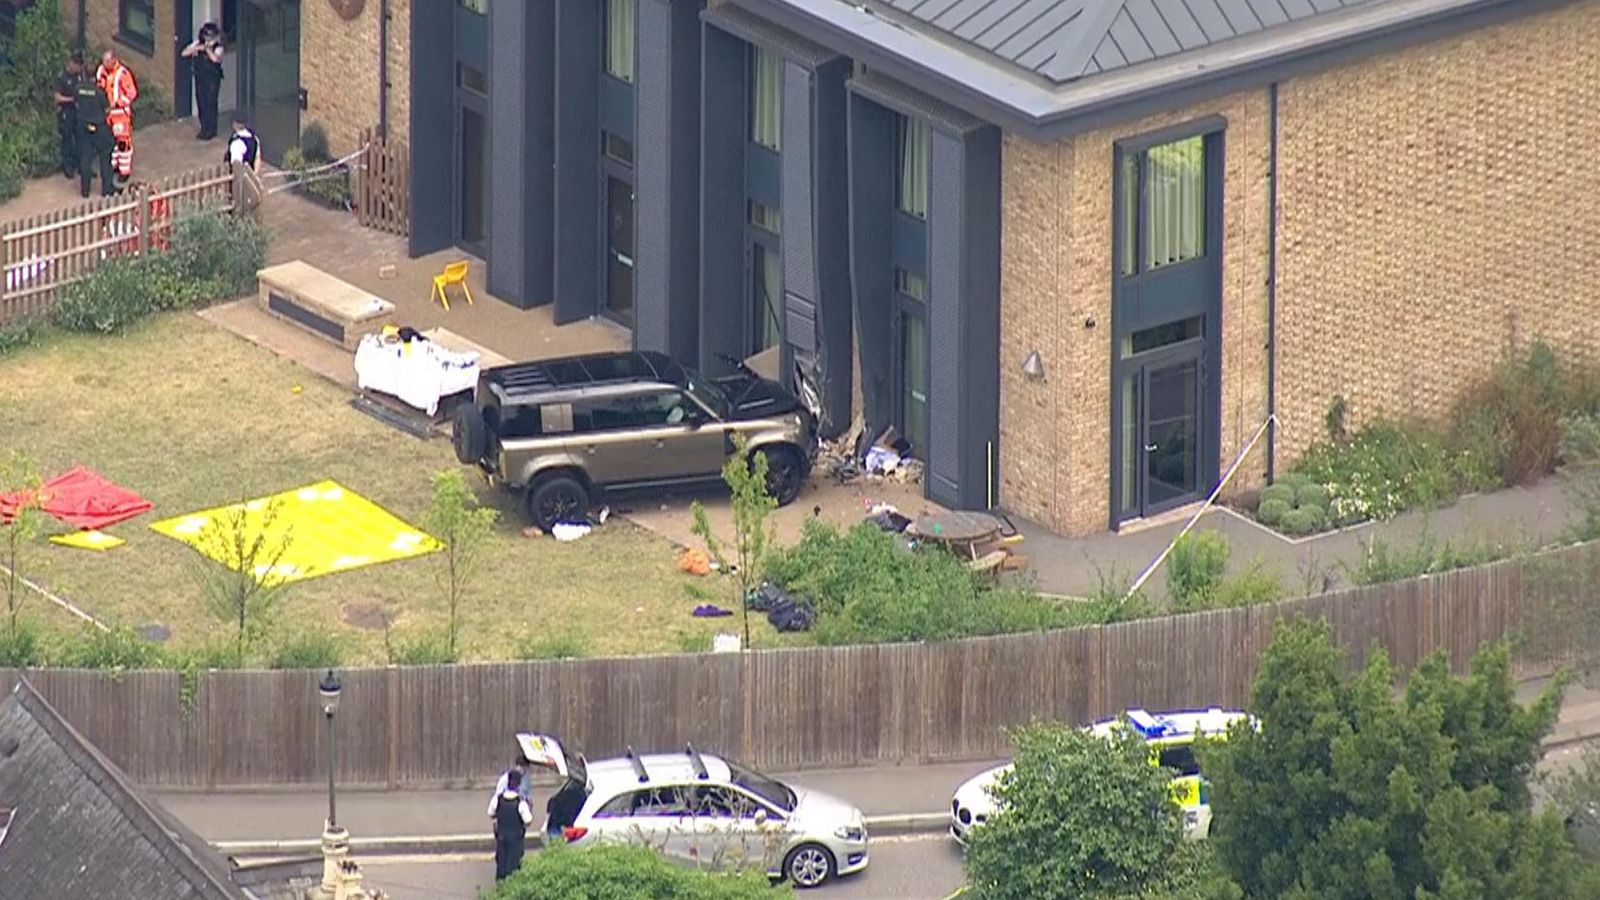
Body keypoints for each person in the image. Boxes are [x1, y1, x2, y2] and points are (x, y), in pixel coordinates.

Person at [95, 49, 138, 188]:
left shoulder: (123, 73)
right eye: (103, 61)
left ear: (114, 60)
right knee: (110, 141)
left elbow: (131, 93)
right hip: (107, 113)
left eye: (107, 61)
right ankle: (113, 165)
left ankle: (124, 171)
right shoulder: (101, 71)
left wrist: (119, 102)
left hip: (120, 114)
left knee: (123, 142)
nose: (105, 63)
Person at [72, 75, 113, 198]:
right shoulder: (99, 92)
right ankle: (106, 190)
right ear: (95, 78)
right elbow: (107, 109)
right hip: (99, 127)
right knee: (105, 157)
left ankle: (85, 191)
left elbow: (76, 104)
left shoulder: (78, 89)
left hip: (83, 126)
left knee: (85, 158)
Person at [182, 23, 225, 140]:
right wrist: (196, 48)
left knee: (211, 103)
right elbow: (184, 53)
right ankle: (204, 128)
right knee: (201, 102)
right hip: (200, 77)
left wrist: (207, 49)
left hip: (212, 80)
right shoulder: (198, 43)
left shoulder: (218, 47)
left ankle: (211, 129)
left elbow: (216, 59)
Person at [491, 769, 533, 881]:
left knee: (501, 863)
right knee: (514, 865)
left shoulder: (498, 799)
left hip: (501, 836)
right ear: (519, 784)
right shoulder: (521, 803)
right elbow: (528, 820)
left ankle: (500, 886)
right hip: (516, 838)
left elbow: (491, 813)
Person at [53, 51, 85, 179]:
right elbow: (57, 98)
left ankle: (81, 165)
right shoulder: (61, 77)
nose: (79, 69)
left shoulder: (80, 76)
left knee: (80, 138)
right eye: (77, 65)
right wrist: (72, 100)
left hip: (78, 112)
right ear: (71, 63)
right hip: (67, 111)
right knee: (67, 139)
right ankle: (68, 165)